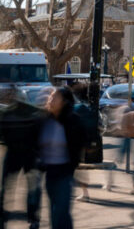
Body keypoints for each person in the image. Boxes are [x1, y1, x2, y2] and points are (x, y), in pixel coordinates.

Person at [39, 87, 85, 229]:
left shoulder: (72, 120)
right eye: (50, 97)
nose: (50, 100)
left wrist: (73, 165)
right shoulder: (45, 119)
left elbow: (81, 142)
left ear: (64, 102)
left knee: (61, 213)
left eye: (54, 97)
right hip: (49, 173)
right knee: (55, 213)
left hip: (64, 173)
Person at [0, 87, 44, 229]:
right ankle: (33, 219)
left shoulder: (7, 113)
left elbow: (3, 134)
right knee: (33, 188)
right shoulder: (34, 112)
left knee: (7, 187)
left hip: (13, 154)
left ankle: (3, 218)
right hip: (31, 154)